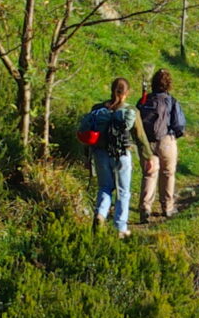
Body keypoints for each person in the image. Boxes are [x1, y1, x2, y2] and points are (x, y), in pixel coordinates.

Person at [80, 77, 152, 236]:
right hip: (121, 154)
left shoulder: (97, 109)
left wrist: (86, 157)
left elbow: (89, 134)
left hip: (100, 154)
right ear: (127, 93)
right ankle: (120, 228)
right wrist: (148, 157)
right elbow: (140, 137)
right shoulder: (131, 111)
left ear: (111, 90)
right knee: (123, 191)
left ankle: (100, 214)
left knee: (105, 187)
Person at [139, 69, 188, 223]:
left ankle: (145, 208)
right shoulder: (171, 101)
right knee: (167, 173)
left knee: (149, 174)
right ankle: (167, 207)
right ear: (169, 84)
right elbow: (179, 124)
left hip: (147, 142)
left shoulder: (144, 100)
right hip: (166, 140)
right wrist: (176, 135)